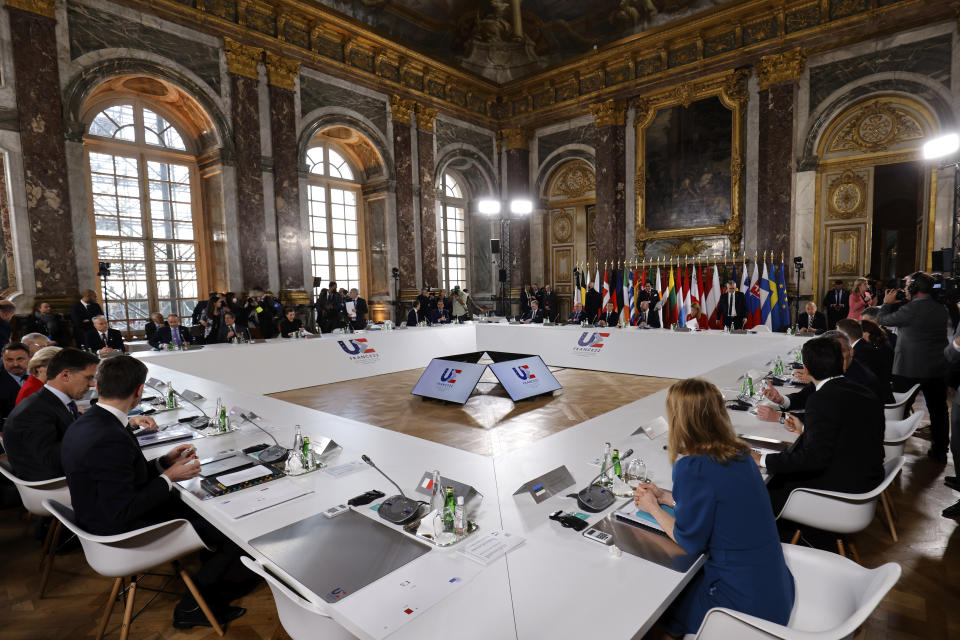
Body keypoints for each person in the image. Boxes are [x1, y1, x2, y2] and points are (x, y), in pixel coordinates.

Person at [60, 356, 249, 629]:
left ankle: (215, 567)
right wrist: (169, 477)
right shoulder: (108, 436)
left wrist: (163, 463)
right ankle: (195, 606)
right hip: (119, 533)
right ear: (139, 390)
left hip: (99, 515)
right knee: (230, 525)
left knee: (206, 507)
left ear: (99, 387)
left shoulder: (96, 420)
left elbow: (122, 475)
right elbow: (123, 510)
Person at [634, 378, 794, 638]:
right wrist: (666, 497)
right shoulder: (740, 454)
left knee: (655, 602)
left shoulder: (691, 467)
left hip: (741, 607)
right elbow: (721, 506)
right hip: (774, 589)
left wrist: (653, 508)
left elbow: (689, 540)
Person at [757, 336, 885, 515]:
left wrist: (761, 459)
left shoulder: (821, 399)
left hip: (846, 490)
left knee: (764, 486)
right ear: (841, 362)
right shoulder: (860, 390)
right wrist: (805, 428)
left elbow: (813, 459)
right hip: (870, 477)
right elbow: (845, 428)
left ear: (807, 370)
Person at [879, 271, 949, 462]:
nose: (904, 288)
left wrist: (887, 303)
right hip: (936, 368)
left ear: (914, 288)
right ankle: (940, 450)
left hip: (908, 368)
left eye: (907, 284)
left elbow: (883, 320)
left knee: (899, 408)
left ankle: (892, 448)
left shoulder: (911, 310)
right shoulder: (941, 308)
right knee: (938, 410)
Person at [2, 349, 99, 480]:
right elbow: (50, 462)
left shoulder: (53, 401)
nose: (92, 384)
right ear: (65, 375)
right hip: (55, 486)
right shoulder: (33, 412)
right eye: (88, 377)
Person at [759, 329, 884, 419]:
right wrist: (782, 400)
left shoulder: (859, 380)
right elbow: (805, 396)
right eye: (830, 353)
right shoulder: (831, 372)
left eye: (840, 351)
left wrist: (780, 417)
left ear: (851, 351)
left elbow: (826, 418)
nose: (835, 357)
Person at [837, 319, 893, 402]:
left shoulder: (860, 353)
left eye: (837, 334)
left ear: (845, 336)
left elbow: (855, 382)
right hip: (878, 396)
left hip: (876, 403)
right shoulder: (863, 347)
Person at [0, 343, 30, 429]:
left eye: (20, 359)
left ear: (29, 358)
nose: (15, 364)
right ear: (3, 360)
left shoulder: (40, 375)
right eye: (9, 360)